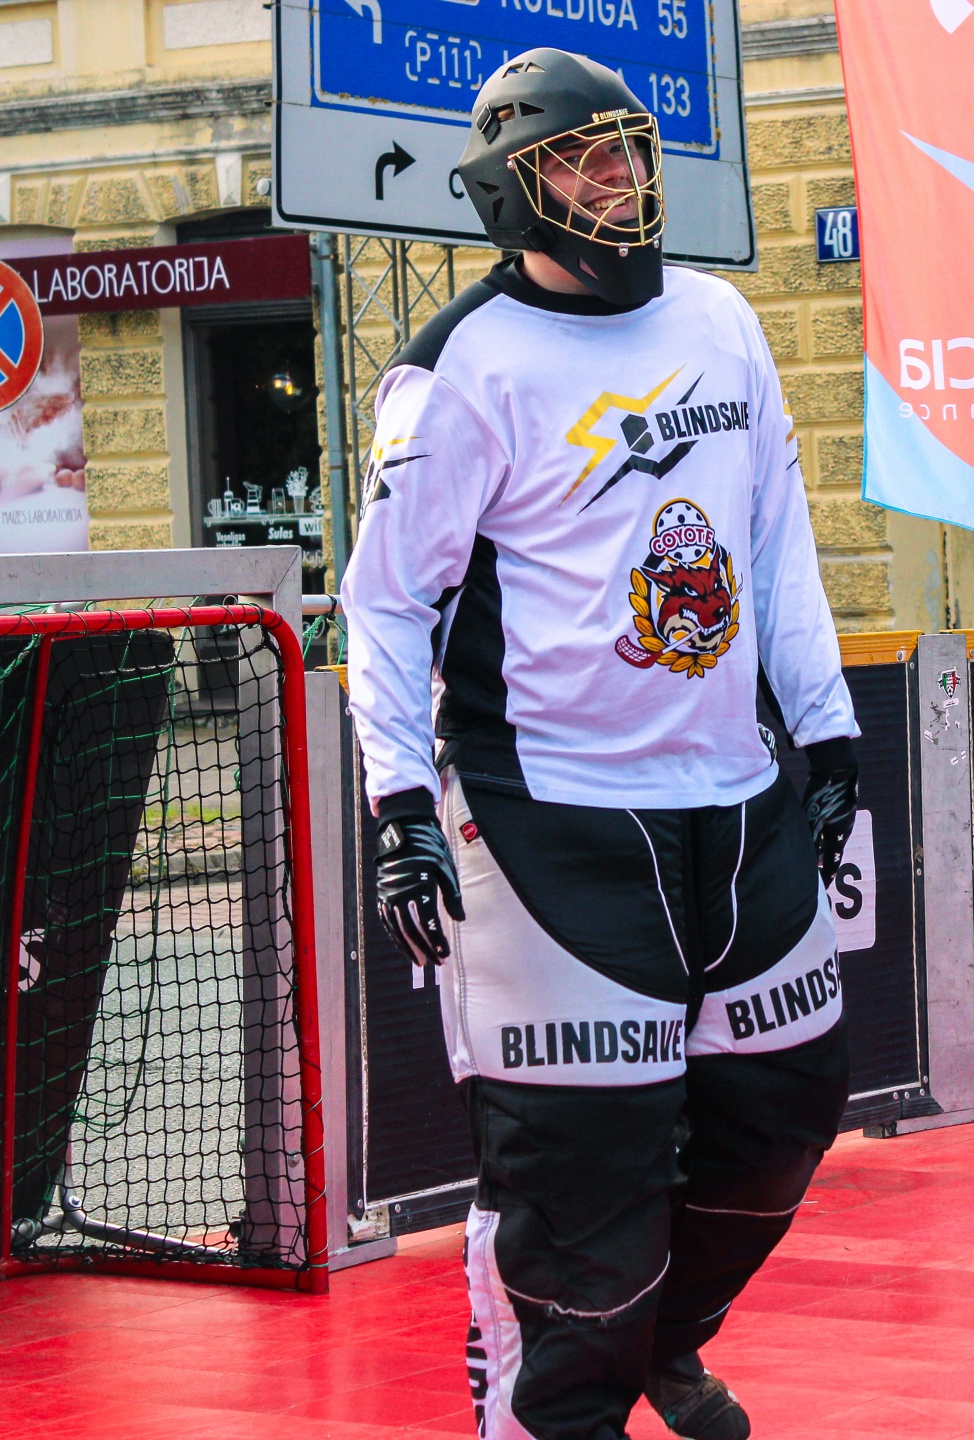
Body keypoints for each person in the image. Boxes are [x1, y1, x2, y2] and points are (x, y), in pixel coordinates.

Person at [341, 48, 860, 1440]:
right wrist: (400, 806)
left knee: (785, 1112)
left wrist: (830, 735)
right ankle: (557, 1411)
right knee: (582, 1177)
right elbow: (384, 604)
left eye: (630, 152)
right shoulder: (456, 371)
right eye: (585, 159)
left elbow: (777, 538)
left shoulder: (722, 319)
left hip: (735, 797)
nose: (621, 180)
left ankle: (662, 1343)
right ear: (515, 189)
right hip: (547, 818)